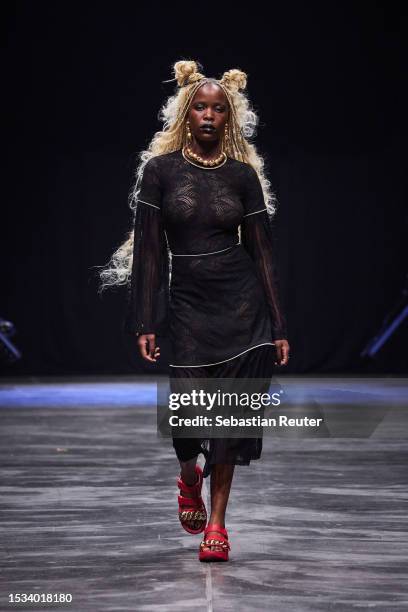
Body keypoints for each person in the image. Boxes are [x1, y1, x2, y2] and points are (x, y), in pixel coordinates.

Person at [99, 60, 290, 562]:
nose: (209, 115)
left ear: (230, 118)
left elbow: (263, 253)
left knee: (228, 419)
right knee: (186, 417)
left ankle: (219, 526)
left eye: (218, 109)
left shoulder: (243, 176)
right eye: (200, 107)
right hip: (187, 306)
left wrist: (279, 324)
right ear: (186, 114)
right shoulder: (160, 172)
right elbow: (148, 250)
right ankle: (189, 474)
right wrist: (145, 318)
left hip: (243, 308)